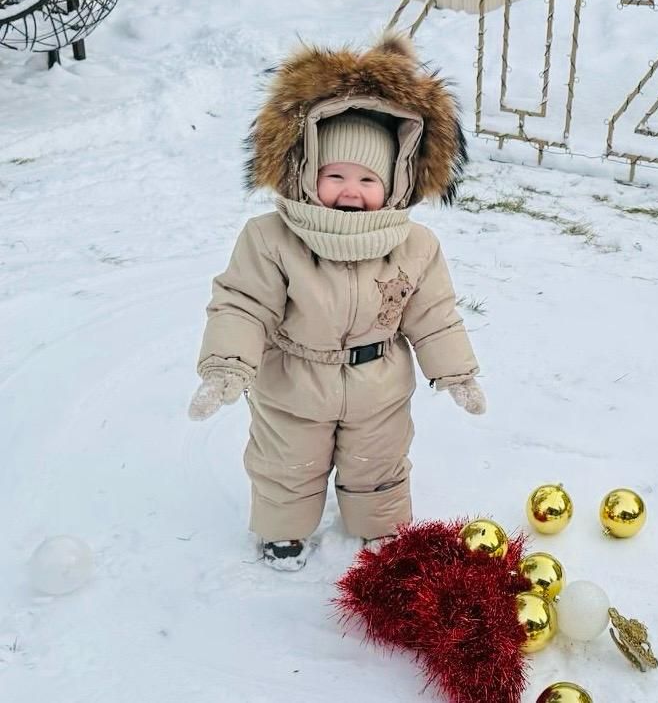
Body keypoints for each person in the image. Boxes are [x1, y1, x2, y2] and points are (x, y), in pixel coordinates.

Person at [187, 34, 486, 570]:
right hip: (294, 382)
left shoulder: (416, 246)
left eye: (368, 178)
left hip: (379, 386)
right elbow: (241, 304)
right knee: (287, 462)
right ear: (308, 172)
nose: (351, 190)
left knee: (380, 461)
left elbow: (434, 315)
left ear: (396, 180)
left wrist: (457, 373)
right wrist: (227, 367)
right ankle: (284, 531)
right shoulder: (271, 238)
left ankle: (380, 529)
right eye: (336, 175)